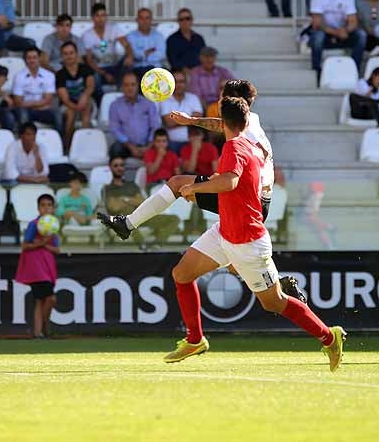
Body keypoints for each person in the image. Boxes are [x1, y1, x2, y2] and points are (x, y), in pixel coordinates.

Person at [127, 97, 345, 366]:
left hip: (247, 241)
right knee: (182, 274)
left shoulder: (234, 147)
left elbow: (229, 182)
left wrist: (194, 188)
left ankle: (329, 337)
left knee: (274, 302)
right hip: (225, 231)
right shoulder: (246, 142)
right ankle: (195, 340)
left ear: (223, 119)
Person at [15, 193, 60, 339]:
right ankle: (45, 325)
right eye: (43, 205)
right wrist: (41, 243)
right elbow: (25, 245)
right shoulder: (34, 224)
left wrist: (45, 244)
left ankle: (38, 332)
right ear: (38, 208)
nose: (46, 208)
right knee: (50, 298)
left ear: (53, 208)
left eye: (49, 205)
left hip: (47, 266)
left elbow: (57, 249)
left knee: (41, 300)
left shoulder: (53, 225)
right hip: (35, 267)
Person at [307, 0, 365, 78]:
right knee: (318, 37)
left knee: (361, 35)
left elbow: (353, 21)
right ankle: (317, 72)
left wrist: (346, 30)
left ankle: (354, 69)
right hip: (325, 32)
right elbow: (317, 22)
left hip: (343, 33)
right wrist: (336, 32)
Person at [109, 72, 161, 160]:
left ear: (138, 86)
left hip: (147, 144)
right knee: (115, 149)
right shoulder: (115, 105)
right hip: (126, 145)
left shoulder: (148, 104)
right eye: (126, 85)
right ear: (122, 87)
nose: (130, 88)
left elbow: (155, 126)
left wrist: (148, 146)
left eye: (133, 85)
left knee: (162, 147)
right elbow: (115, 129)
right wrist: (131, 147)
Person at [82, 2, 134, 88]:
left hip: (114, 66)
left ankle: (122, 93)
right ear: (93, 18)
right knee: (92, 75)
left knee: (128, 62)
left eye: (103, 15)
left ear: (106, 17)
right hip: (98, 69)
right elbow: (89, 61)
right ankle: (100, 100)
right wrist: (105, 74)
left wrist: (130, 55)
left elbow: (127, 45)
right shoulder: (87, 35)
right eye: (97, 16)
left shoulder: (113, 28)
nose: (100, 19)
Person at [55, 41, 95, 148]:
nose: (69, 56)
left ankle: (84, 144)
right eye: (66, 54)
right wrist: (76, 106)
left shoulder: (85, 69)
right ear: (62, 56)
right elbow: (65, 99)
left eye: (71, 53)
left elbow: (90, 87)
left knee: (86, 109)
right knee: (71, 113)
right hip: (68, 104)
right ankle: (68, 146)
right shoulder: (60, 74)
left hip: (84, 100)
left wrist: (84, 97)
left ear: (76, 54)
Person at [12, 47, 60, 129]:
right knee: (23, 116)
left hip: (42, 111)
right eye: (29, 58)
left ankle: (61, 140)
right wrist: (39, 104)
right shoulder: (19, 76)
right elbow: (18, 101)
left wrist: (28, 104)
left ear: (39, 58)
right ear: (25, 60)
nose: (32, 60)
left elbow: (48, 99)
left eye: (34, 57)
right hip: (26, 110)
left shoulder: (49, 76)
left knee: (58, 115)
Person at [101, 156, 146, 221]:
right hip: (118, 223)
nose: (119, 168)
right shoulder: (107, 188)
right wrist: (133, 202)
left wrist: (123, 199)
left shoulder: (132, 185)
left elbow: (142, 202)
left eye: (121, 165)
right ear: (110, 167)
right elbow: (114, 207)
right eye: (116, 166)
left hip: (137, 220)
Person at [126, 8, 167, 77]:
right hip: (138, 70)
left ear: (151, 20)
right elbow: (134, 54)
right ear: (137, 20)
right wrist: (146, 53)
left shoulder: (159, 36)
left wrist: (144, 55)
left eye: (147, 18)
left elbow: (161, 54)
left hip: (156, 69)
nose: (144, 21)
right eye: (141, 18)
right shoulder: (131, 37)